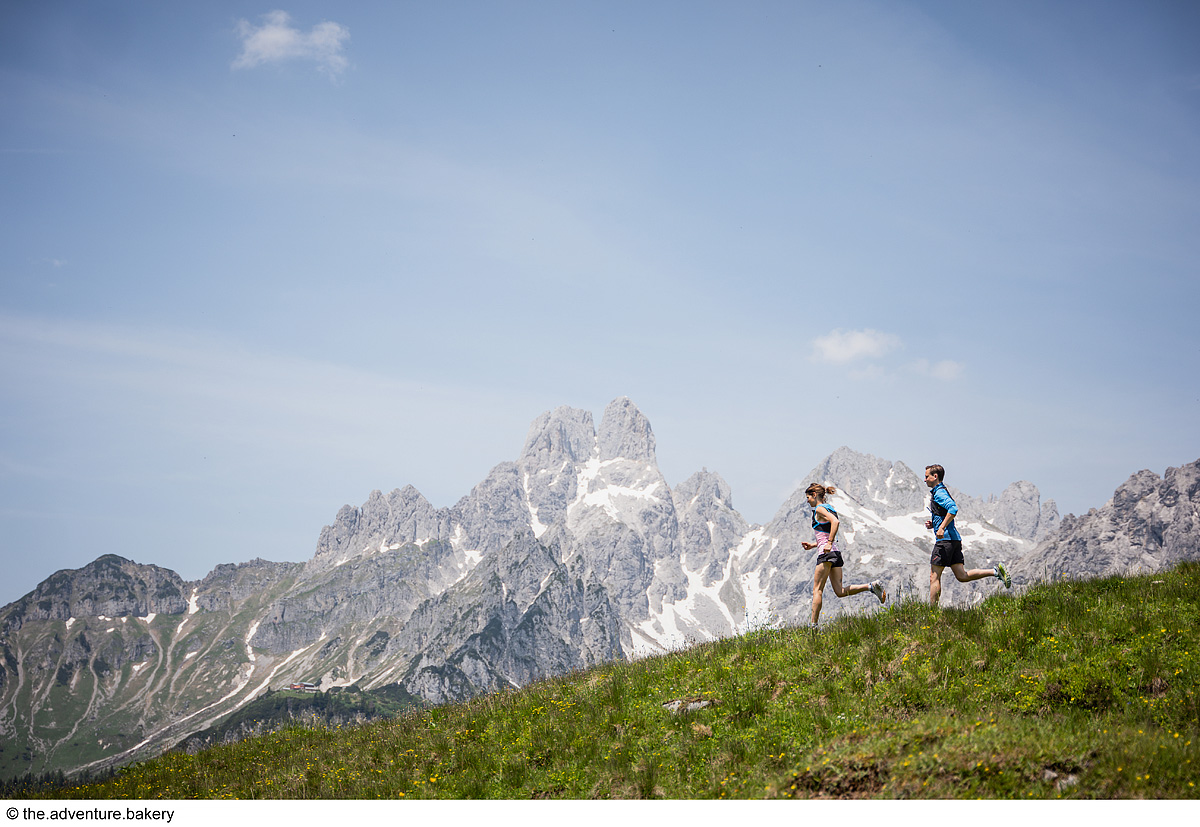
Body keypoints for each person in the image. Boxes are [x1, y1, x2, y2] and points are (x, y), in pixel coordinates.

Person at [801, 483, 886, 628]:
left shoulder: (820, 509)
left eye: (808, 497)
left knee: (817, 590)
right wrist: (813, 545)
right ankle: (871, 586)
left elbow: (835, 522)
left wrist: (828, 543)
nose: (807, 501)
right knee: (840, 591)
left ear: (814, 495)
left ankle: (813, 627)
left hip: (826, 553)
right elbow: (826, 532)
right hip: (835, 552)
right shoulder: (830, 508)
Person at [924, 464, 1011, 605]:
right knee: (962, 576)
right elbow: (945, 513)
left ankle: (932, 612)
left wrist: (941, 528)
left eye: (927, 476)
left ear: (935, 476)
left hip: (945, 541)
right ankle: (995, 572)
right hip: (954, 540)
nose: (925, 479)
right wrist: (934, 524)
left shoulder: (939, 493)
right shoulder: (940, 491)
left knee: (934, 577)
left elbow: (953, 509)